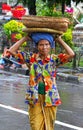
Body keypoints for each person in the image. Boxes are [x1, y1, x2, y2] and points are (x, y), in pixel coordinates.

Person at [8, 32, 75, 130]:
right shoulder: (31, 58)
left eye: (47, 44)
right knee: (36, 126)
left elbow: (71, 54)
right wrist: (25, 38)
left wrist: (59, 40)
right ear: (37, 46)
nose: (44, 47)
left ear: (50, 46)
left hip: (50, 98)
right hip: (35, 98)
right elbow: (11, 51)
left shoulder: (54, 59)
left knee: (48, 127)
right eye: (41, 44)